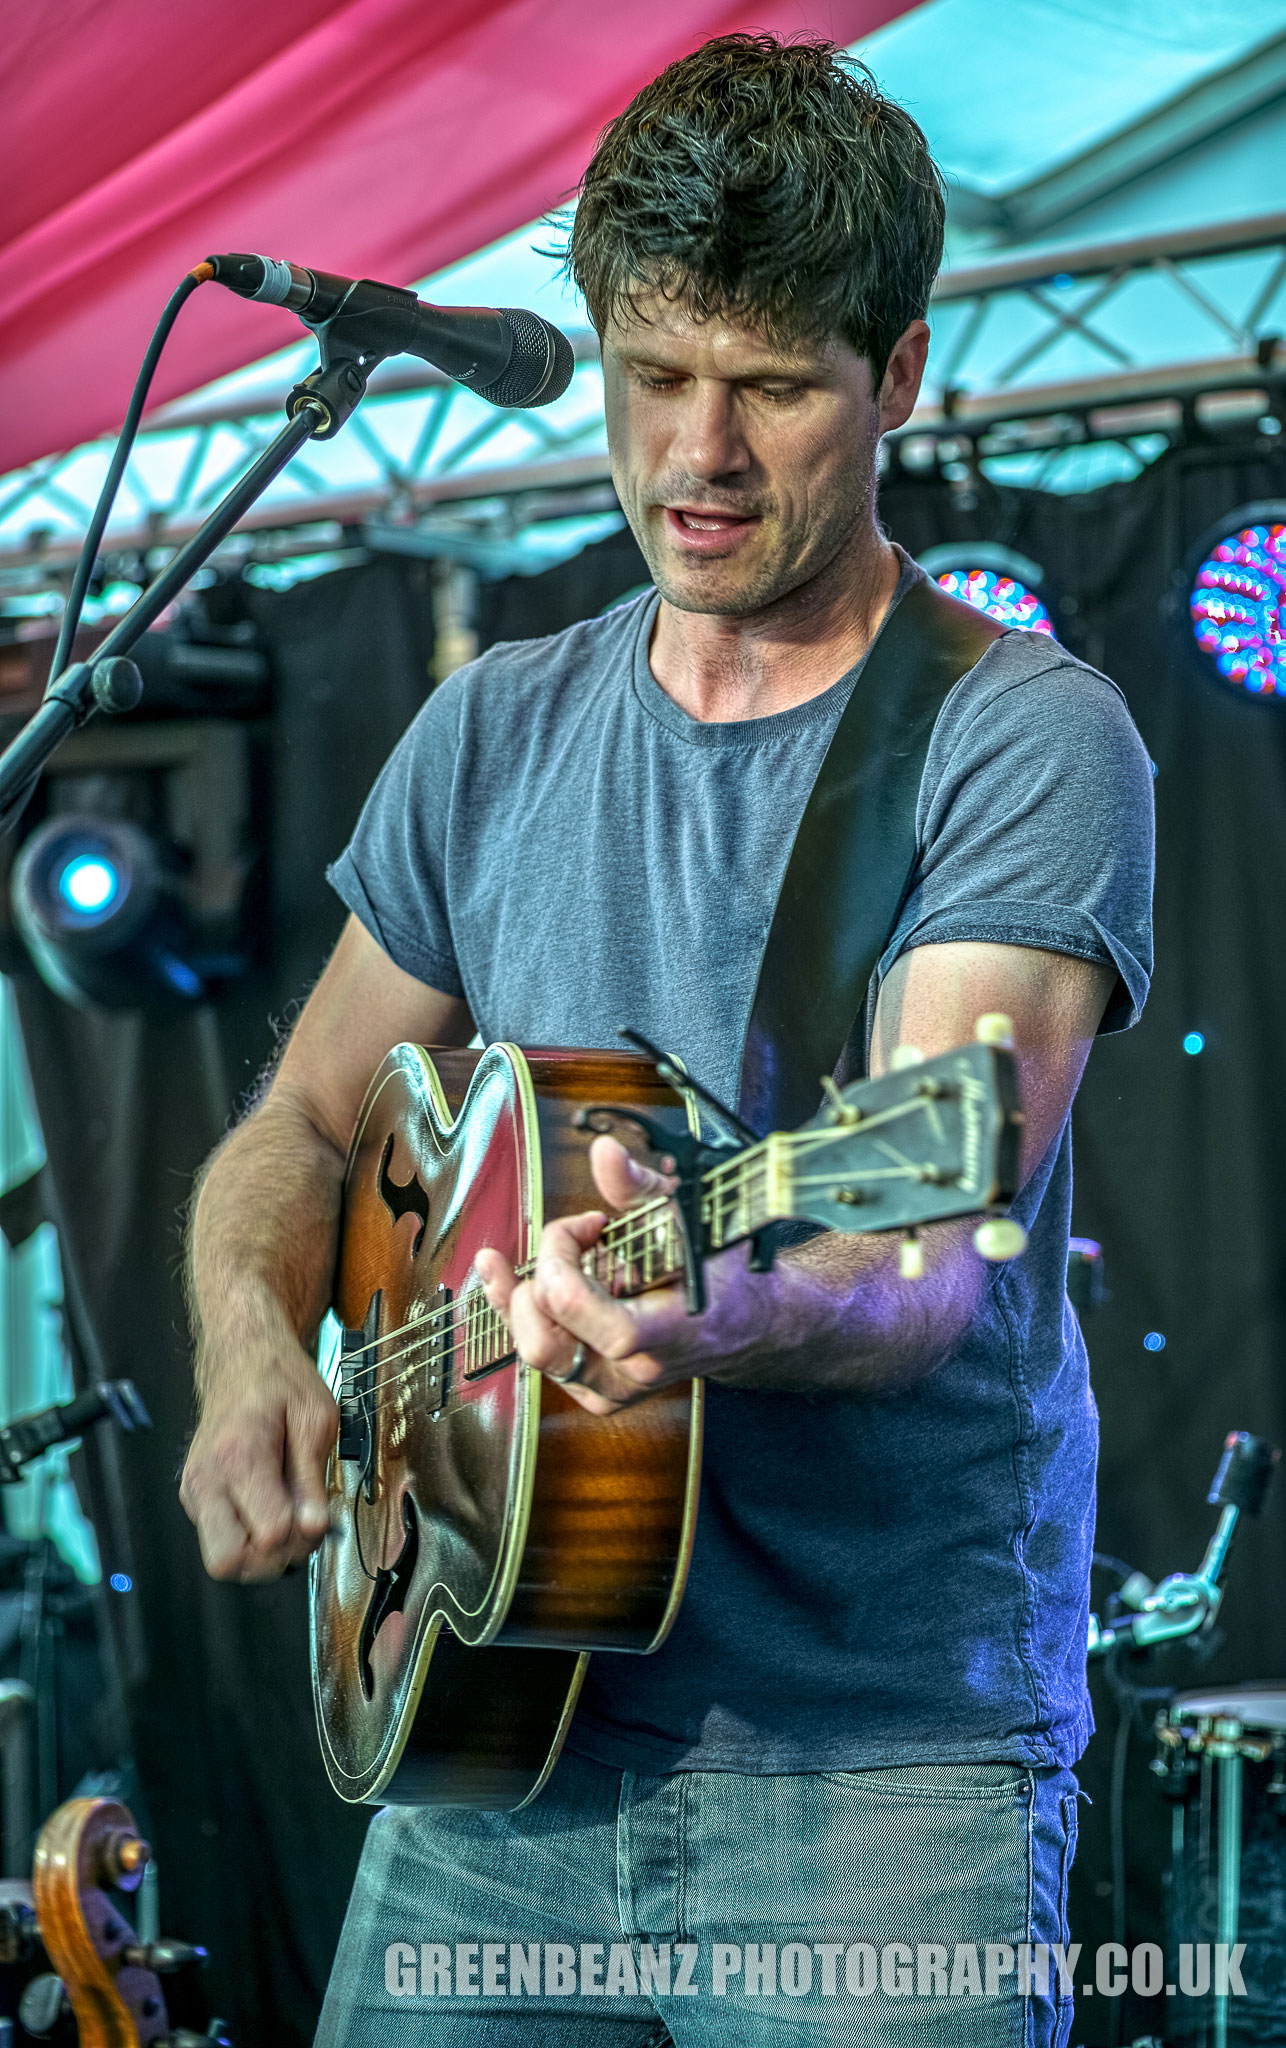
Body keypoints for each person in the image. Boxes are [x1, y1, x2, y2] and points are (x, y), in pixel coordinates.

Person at [180, 34, 1153, 2046]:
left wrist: (709, 1311)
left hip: (877, 1775)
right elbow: (298, 1117)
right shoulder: (495, 725)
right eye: (650, 374)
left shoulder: (1016, 735)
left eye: (772, 387)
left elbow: (915, 1252)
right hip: (489, 1734)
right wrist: (253, 1344)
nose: (694, 453)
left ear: (895, 373)